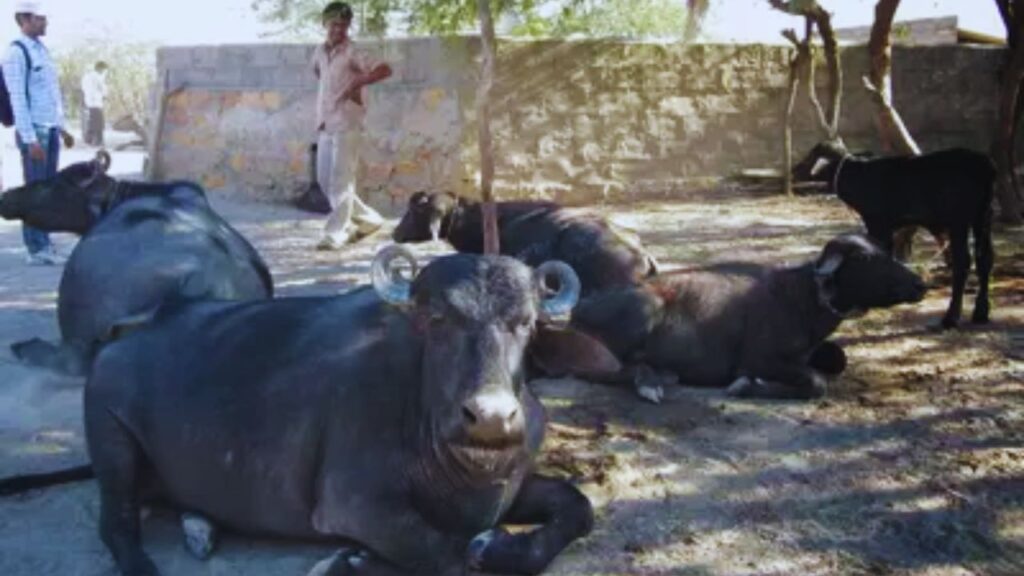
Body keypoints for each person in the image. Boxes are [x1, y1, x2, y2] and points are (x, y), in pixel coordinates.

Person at [311, 1, 392, 250]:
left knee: (340, 181)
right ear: (325, 24)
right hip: (325, 123)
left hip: (348, 123)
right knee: (325, 182)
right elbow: (319, 75)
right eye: (334, 24)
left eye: (344, 25)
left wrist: (358, 82)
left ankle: (336, 233)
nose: (339, 29)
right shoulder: (319, 52)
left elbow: (384, 69)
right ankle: (370, 220)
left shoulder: (353, 51)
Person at [3, 0, 74, 265]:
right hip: (35, 133)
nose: (45, 23)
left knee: (49, 191)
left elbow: (50, 94)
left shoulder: (41, 51)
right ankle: (35, 249)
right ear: (24, 19)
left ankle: (44, 243)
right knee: (36, 192)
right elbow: (17, 98)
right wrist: (30, 138)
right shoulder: (16, 53)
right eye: (40, 19)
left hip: (50, 129)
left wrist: (62, 128)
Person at [81, 60, 108, 147]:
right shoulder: (98, 77)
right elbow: (103, 89)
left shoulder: (86, 76)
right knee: (98, 123)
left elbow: (83, 88)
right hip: (96, 102)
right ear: (101, 69)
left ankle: (89, 140)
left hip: (89, 101)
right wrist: (104, 95)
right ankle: (97, 141)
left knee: (92, 121)